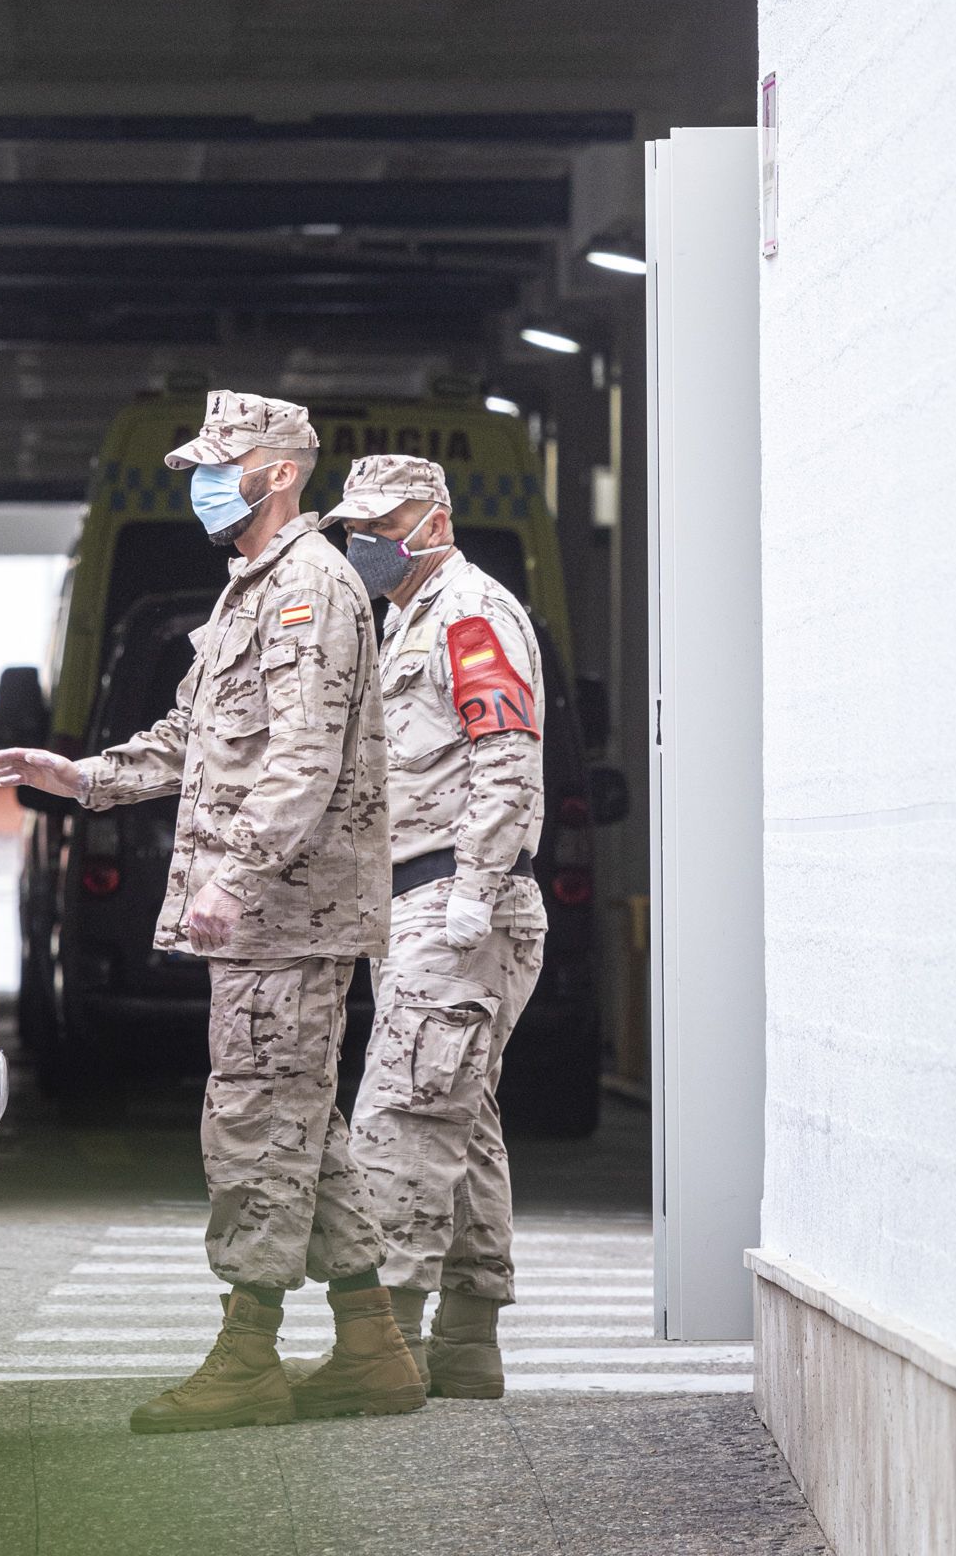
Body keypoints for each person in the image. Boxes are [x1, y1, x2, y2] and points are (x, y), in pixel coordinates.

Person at [0, 391, 423, 1434]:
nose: (199, 485)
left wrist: (237, 874)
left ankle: (248, 1354)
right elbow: (192, 737)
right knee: (300, 1127)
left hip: (289, 913)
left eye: (218, 467)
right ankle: (372, 1346)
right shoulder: (249, 592)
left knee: (254, 1125)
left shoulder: (309, 589)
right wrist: (80, 775)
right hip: (280, 913)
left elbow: (303, 761)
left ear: (278, 472)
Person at [320, 452, 546, 1402]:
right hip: (411, 899)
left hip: (457, 901)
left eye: (382, 524)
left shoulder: (471, 613)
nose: (364, 541)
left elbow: (505, 752)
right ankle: (466, 1340)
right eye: (356, 527)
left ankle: (383, 1344)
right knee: (462, 1116)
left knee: (404, 1116)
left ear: (435, 522)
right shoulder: (406, 615)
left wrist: (476, 886)